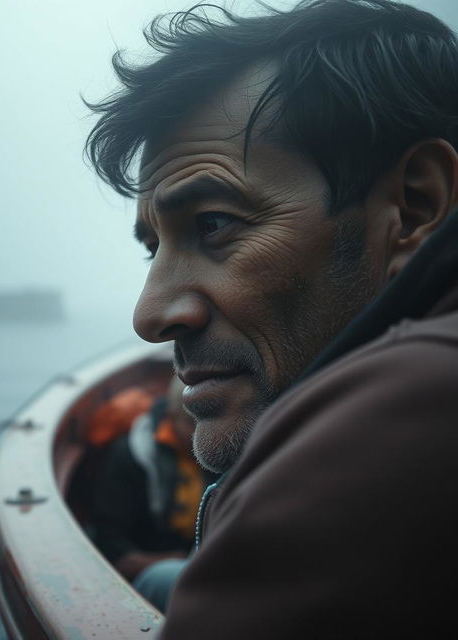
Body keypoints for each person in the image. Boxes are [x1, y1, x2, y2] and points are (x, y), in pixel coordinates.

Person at [85, 0, 458, 636]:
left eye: (214, 224)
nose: (149, 315)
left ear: (416, 205)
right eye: (154, 247)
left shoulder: (409, 409)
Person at [91, 377, 214, 610]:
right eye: (191, 422)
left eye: (208, 420)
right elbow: (110, 546)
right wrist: (173, 561)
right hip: (148, 573)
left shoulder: (220, 446)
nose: (201, 434)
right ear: (171, 414)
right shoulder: (130, 455)